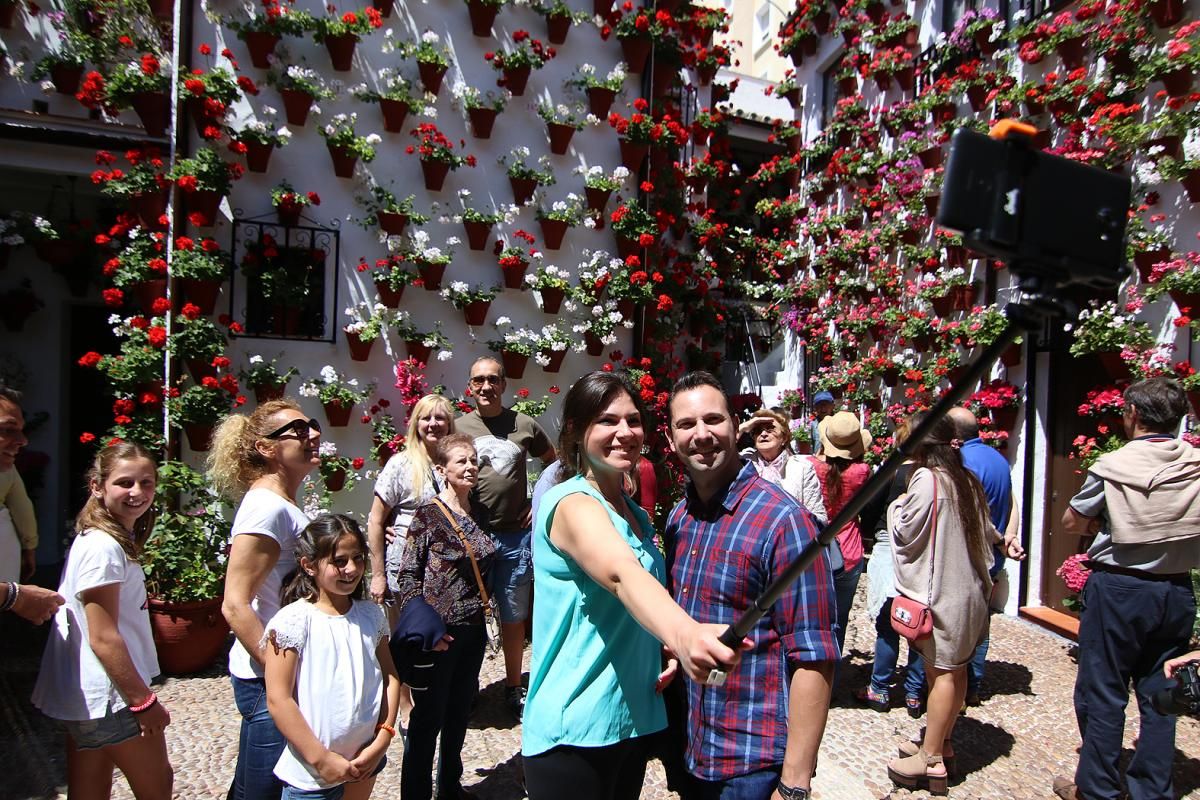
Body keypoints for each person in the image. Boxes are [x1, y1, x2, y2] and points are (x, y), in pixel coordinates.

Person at [523, 371, 741, 800]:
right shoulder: (570, 503)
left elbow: (629, 604)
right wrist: (685, 635)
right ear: (574, 431)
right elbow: (622, 575)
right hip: (575, 730)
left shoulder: (633, 513)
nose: (625, 432)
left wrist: (659, 646)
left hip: (629, 720)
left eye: (633, 420)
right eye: (607, 421)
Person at [665, 371, 839, 800]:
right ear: (671, 440)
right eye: (687, 425)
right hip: (690, 747)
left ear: (734, 426)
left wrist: (795, 783)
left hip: (751, 763)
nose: (702, 435)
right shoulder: (678, 519)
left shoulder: (784, 522)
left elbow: (815, 655)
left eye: (713, 420)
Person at [1052, 377, 1200, 800]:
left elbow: (1072, 522)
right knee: (1162, 692)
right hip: (1175, 589)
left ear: (1133, 414)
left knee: (1103, 691)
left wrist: (1112, 523)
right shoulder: (1195, 464)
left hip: (1120, 588)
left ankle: (1096, 788)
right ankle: (1152, 789)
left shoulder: (1114, 465)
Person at [886, 412, 1024, 795]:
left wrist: (896, 505)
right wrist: (1005, 541)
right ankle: (941, 742)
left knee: (941, 673)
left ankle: (930, 759)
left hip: (941, 593)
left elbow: (905, 530)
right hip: (970, 592)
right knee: (956, 671)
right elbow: (987, 528)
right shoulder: (967, 479)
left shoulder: (928, 480)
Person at [31, 442, 173, 799]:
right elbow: (103, 636)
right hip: (111, 697)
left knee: (89, 790)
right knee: (156, 786)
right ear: (97, 486)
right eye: (125, 483)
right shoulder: (104, 548)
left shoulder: (98, 538)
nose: (137, 492)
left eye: (146, 482)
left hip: (88, 699)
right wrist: (143, 702)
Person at [210, 400, 321, 800]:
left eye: (311, 425)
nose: (312, 435)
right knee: (262, 790)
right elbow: (235, 604)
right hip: (266, 680)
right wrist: (279, 674)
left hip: (276, 674)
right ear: (266, 448)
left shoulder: (280, 502)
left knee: (253, 785)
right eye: (297, 430)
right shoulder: (266, 508)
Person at [264, 514, 402, 800]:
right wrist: (321, 759)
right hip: (313, 773)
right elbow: (279, 698)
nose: (351, 569)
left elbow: (390, 677)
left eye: (358, 558)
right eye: (339, 561)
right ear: (309, 565)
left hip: (366, 759)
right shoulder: (292, 622)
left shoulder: (371, 615)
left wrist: (383, 737)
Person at [395, 434, 496, 800]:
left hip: (472, 631)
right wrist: (424, 629)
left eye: (473, 461)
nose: (470, 467)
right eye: (461, 462)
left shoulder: (481, 512)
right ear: (442, 469)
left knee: (457, 717)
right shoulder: (428, 515)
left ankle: (450, 788)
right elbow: (407, 576)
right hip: (440, 635)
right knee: (427, 721)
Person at [455, 356, 555, 719]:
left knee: (513, 618)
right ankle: (467, 686)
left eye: (493, 380)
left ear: (503, 384)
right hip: (470, 538)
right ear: (470, 386)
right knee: (467, 619)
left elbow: (554, 462)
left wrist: (538, 502)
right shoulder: (458, 426)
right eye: (478, 380)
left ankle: (514, 686)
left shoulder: (523, 424)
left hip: (515, 539)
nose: (486, 386)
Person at [947, 406, 1017, 707]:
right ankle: (973, 685)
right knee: (981, 623)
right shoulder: (998, 459)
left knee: (957, 628)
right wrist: (1008, 539)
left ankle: (955, 692)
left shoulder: (962, 463)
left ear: (953, 435)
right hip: (992, 557)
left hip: (966, 558)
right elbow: (1013, 503)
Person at [856, 418, 924, 716]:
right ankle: (913, 693)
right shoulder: (931, 475)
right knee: (918, 624)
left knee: (888, 622)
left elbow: (870, 507)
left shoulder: (892, 471)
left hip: (888, 543)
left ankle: (880, 689)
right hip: (922, 550)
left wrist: (867, 534)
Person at [367, 394, 456, 611]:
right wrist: (378, 575)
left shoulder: (458, 463)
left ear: (450, 424)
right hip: (407, 571)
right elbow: (376, 520)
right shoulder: (400, 464)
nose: (433, 424)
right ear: (416, 424)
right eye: (426, 418)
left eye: (440, 418)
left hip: (448, 570)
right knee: (408, 637)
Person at [810, 411, 872, 653]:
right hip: (849, 551)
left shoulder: (812, 467)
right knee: (840, 621)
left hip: (817, 552)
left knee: (813, 619)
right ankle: (834, 678)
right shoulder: (862, 472)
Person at [739, 409, 827, 523]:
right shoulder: (744, 461)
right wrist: (742, 428)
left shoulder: (802, 468)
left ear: (784, 438)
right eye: (757, 431)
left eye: (771, 429)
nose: (764, 434)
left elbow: (819, 517)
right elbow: (723, 452)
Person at [0, 385, 37, 582]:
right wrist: (29, 547)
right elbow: (22, 509)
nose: (23, 441)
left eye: (21, 430)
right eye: (8, 429)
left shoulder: (8, 471)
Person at [808, 390, 835, 455]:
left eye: (826, 404)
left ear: (832, 406)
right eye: (819, 405)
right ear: (815, 408)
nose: (823, 408)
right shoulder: (813, 425)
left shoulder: (837, 423)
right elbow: (812, 446)